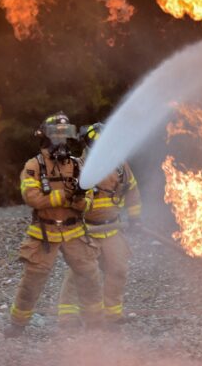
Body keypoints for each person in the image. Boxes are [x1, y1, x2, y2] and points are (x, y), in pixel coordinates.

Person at [6, 113, 103, 338]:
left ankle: (96, 324)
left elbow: (88, 201)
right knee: (32, 281)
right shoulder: (34, 165)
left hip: (74, 231)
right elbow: (31, 197)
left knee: (90, 276)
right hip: (44, 233)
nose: (61, 141)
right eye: (56, 136)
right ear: (45, 137)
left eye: (65, 135)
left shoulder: (78, 165)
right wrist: (64, 197)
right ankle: (17, 325)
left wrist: (80, 200)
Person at [57, 122, 142, 325]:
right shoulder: (76, 168)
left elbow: (132, 190)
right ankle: (67, 316)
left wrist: (135, 217)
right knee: (80, 272)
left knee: (118, 269)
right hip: (85, 229)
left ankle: (112, 315)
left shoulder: (120, 167)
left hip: (112, 228)